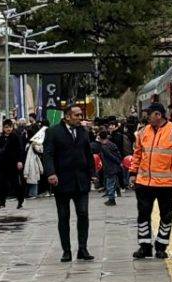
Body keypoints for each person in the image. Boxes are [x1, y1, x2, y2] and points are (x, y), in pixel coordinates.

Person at [131, 99, 172, 259]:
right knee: (143, 215)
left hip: (167, 184)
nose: (147, 117)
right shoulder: (143, 133)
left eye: (149, 114)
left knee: (166, 216)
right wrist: (133, 173)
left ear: (158, 115)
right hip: (144, 183)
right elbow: (137, 154)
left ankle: (161, 247)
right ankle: (144, 246)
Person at [41, 104, 97, 263]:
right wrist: (51, 173)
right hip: (62, 181)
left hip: (81, 181)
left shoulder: (83, 132)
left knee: (83, 214)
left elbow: (88, 153)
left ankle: (82, 248)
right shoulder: (53, 132)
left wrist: (92, 174)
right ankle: (66, 250)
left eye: (81, 115)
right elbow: (48, 154)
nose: (80, 118)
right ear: (67, 117)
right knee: (64, 216)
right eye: (77, 115)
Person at [0, 118, 27, 210]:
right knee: (2, 184)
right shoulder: (1, 138)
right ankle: (2, 203)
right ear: (3, 128)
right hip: (3, 165)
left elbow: (20, 150)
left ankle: (20, 201)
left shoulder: (15, 136)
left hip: (13, 164)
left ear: (12, 127)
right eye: (6, 127)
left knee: (16, 184)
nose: (8, 129)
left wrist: (20, 161)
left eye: (9, 127)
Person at [95, 124, 124, 207]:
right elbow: (117, 154)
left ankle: (111, 199)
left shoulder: (104, 147)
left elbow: (110, 156)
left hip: (110, 166)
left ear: (100, 138)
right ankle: (113, 196)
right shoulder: (111, 144)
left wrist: (118, 161)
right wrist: (119, 161)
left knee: (110, 183)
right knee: (112, 182)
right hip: (114, 166)